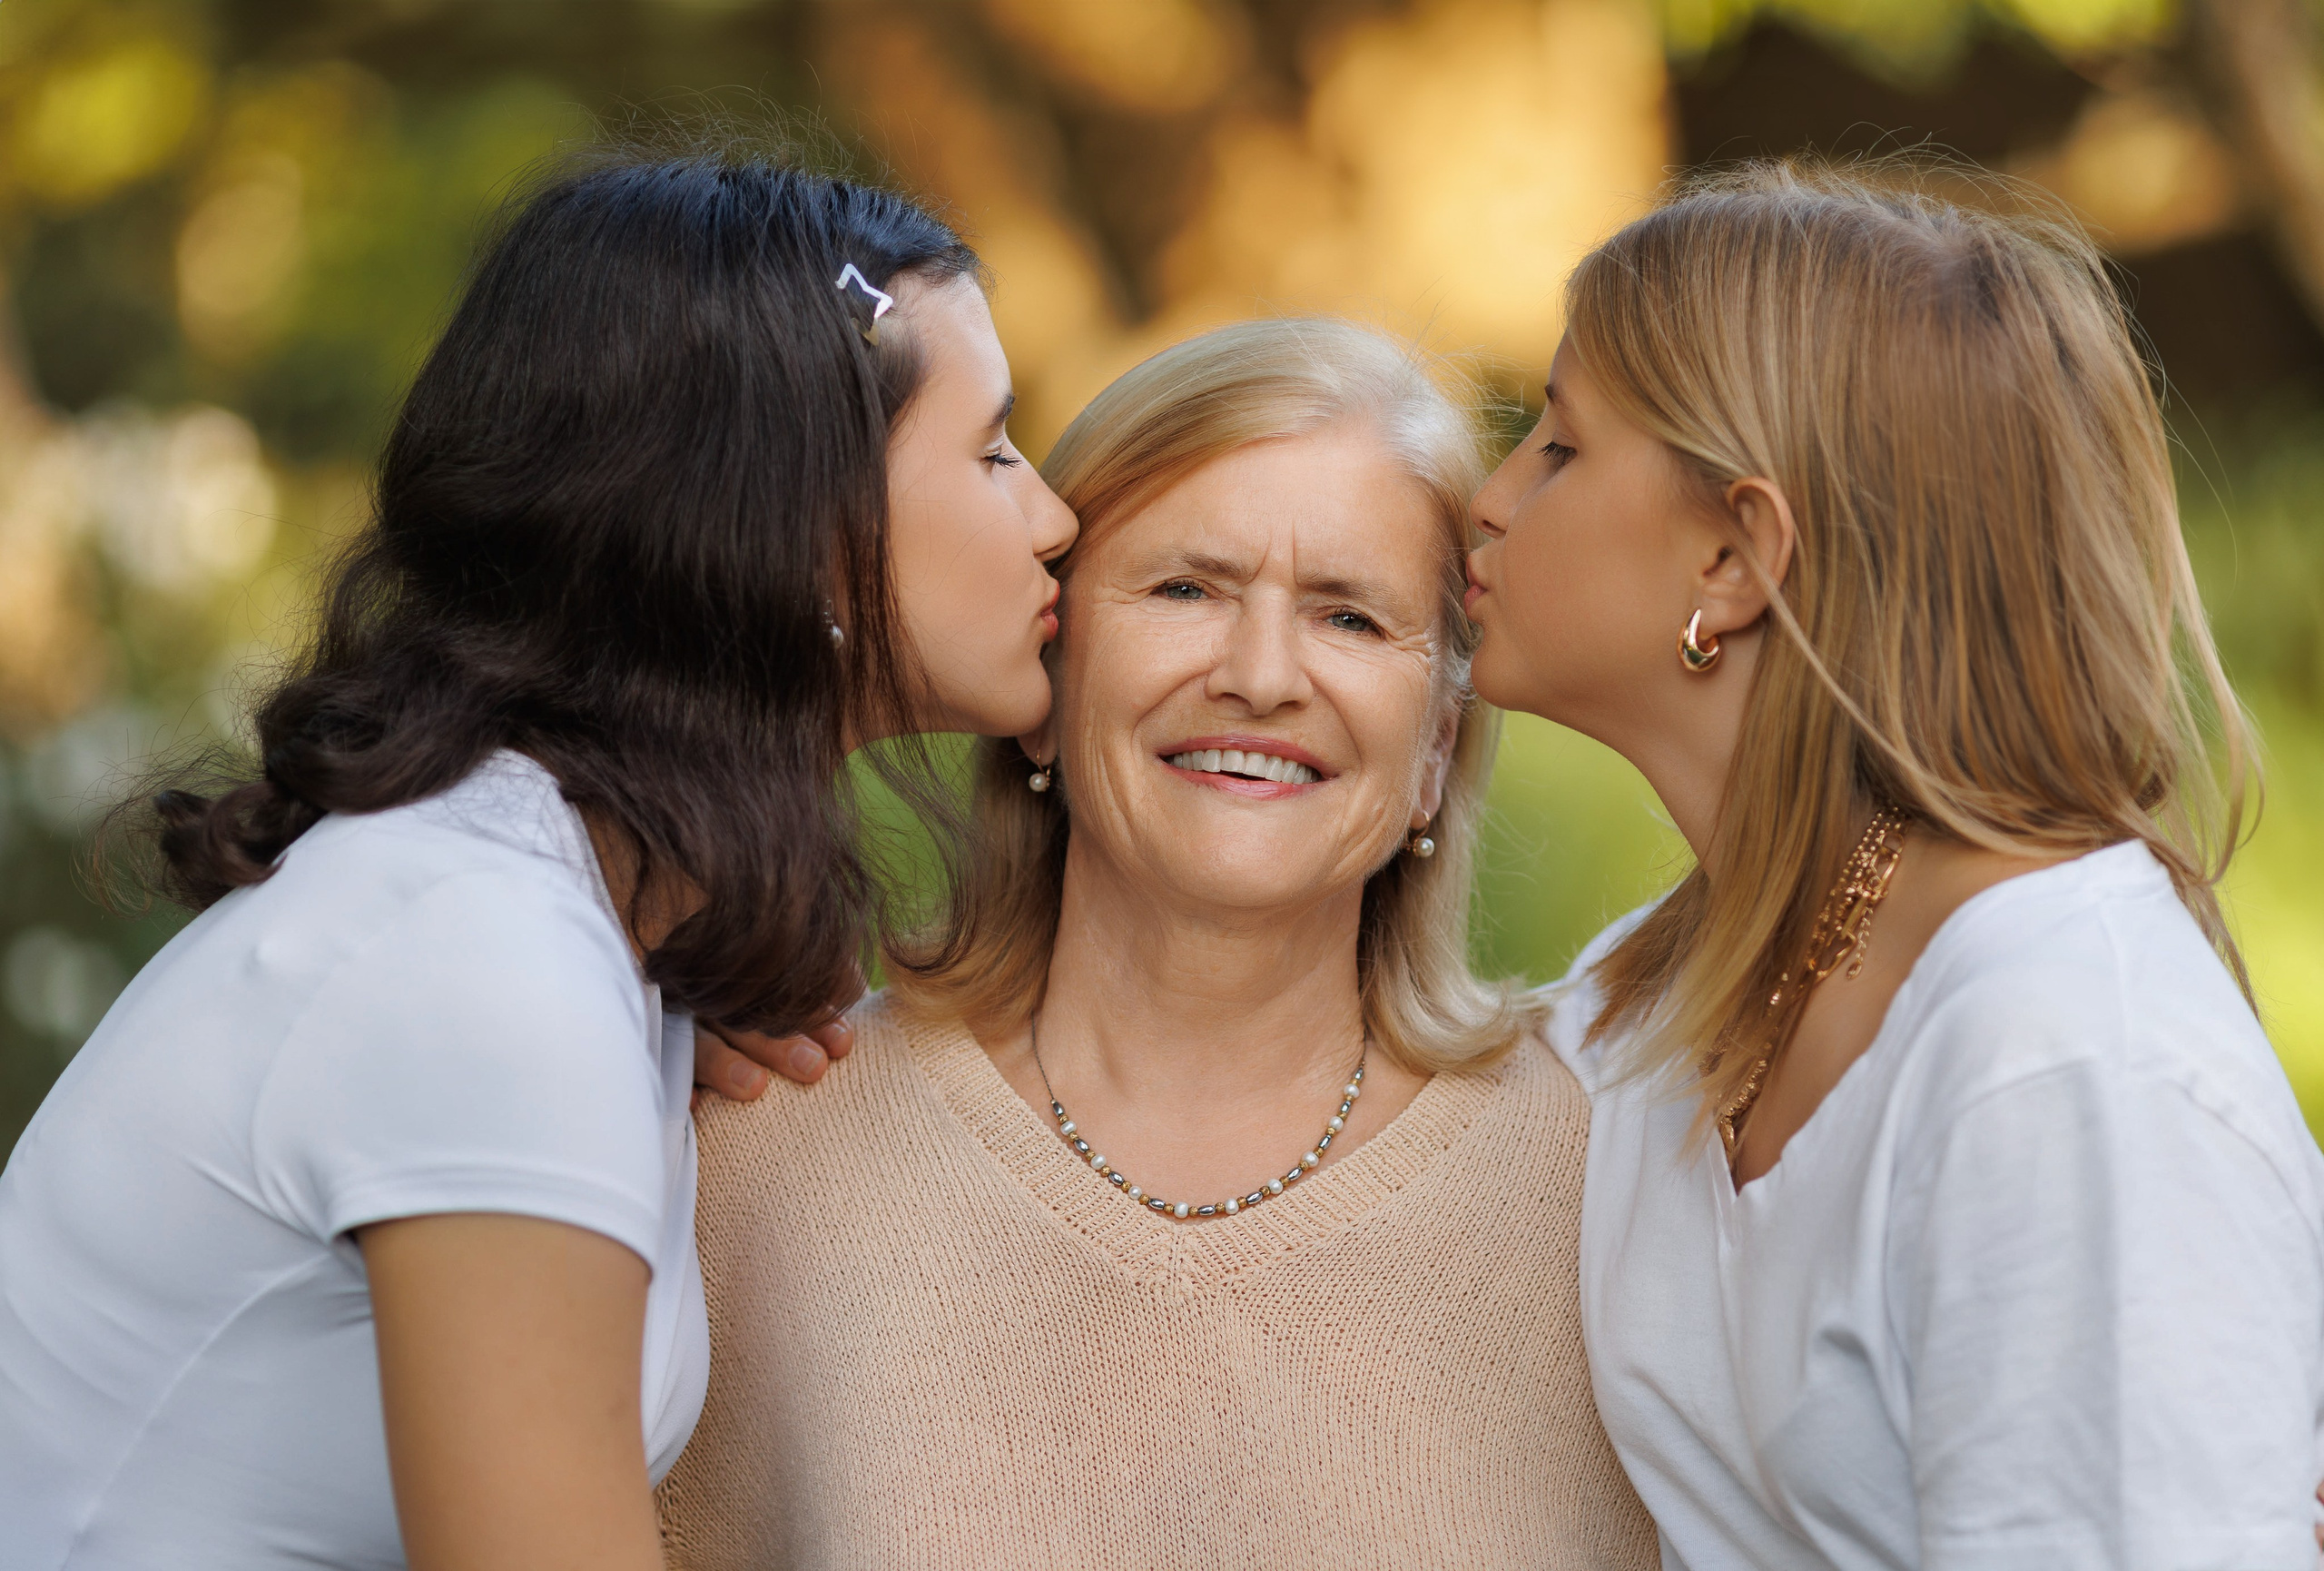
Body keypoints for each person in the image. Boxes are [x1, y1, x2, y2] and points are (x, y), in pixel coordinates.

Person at [0, 148, 1074, 1571]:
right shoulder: (484, 961)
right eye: (994, 452)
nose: (1053, 514)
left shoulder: (566, 924)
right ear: (798, 531)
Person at [657, 318, 1659, 1569]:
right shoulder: (751, 1153)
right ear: (1046, 685)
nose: (1260, 673)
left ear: (1438, 752)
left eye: (1350, 617)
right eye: (1187, 588)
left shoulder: (1616, 1192)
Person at [1462, 160, 2324, 1568]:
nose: (1487, 501)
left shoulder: (2063, 1060)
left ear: (1737, 557)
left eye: (1556, 445)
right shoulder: (1649, 998)